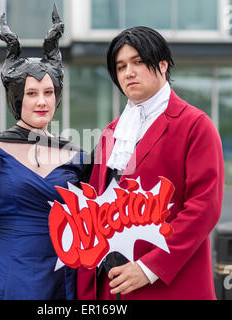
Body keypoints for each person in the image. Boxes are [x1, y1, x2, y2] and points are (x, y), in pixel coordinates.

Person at [0, 5, 86, 300]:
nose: (41, 102)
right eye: (31, 94)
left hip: (61, 280)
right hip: (0, 279)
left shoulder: (78, 157)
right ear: (16, 97)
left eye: (49, 93)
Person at [77, 26, 225, 300]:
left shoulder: (195, 124)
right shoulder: (111, 133)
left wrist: (148, 268)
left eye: (138, 62)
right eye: (120, 67)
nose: (128, 72)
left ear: (162, 64)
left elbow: (205, 207)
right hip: (112, 287)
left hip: (171, 285)